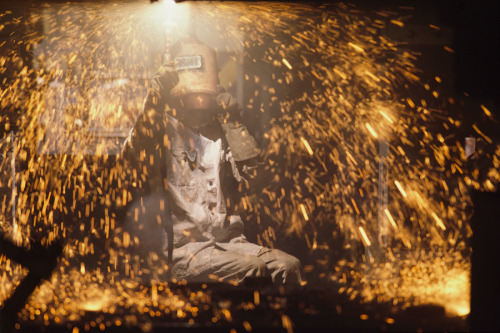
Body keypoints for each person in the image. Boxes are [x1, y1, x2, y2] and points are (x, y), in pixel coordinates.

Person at [120, 37, 301, 285]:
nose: (199, 104)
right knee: (253, 269)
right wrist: (154, 98)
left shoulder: (220, 132)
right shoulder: (161, 130)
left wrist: (234, 124)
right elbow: (133, 151)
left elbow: (255, 178)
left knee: (288, 266)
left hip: (227, 243)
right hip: (184, 251)